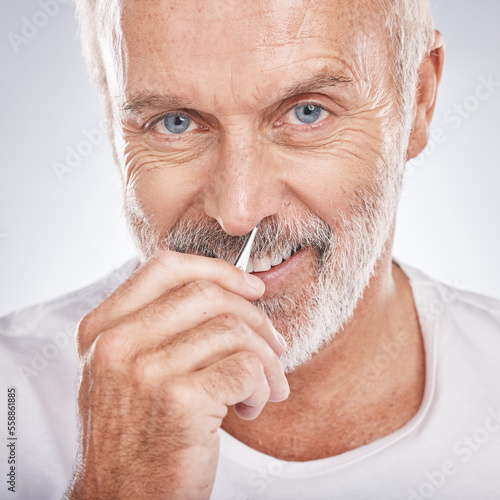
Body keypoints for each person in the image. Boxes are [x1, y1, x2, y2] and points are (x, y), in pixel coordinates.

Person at [1, 0, 499, 498]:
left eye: (308, 112)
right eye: (175, 122)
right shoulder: (12, 408)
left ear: (419, 100)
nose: (239, 212)